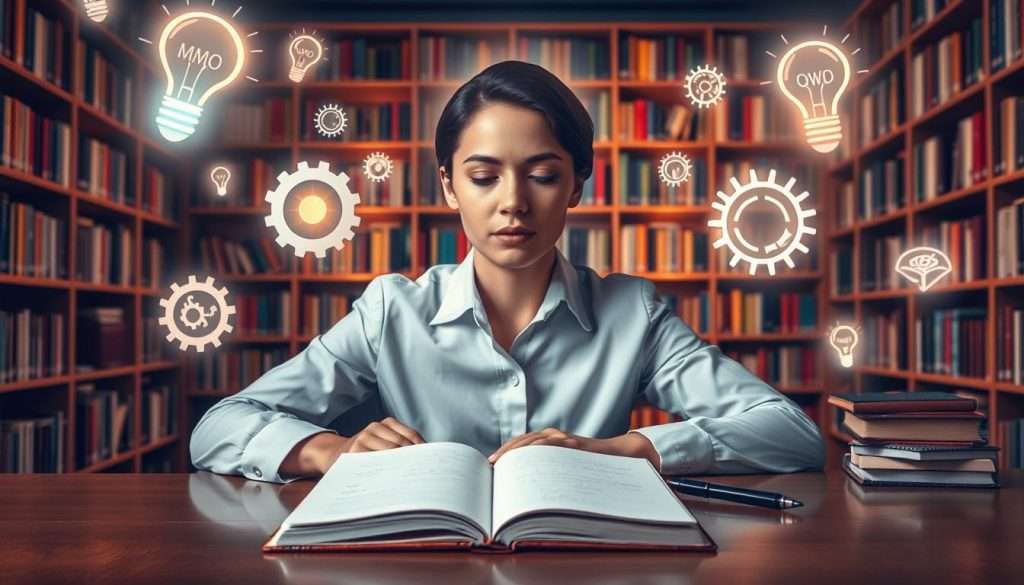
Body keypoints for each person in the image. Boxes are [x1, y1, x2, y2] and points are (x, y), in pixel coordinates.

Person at [190, 60, 825, 483]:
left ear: (578, 185)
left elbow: (794, 436)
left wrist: (621, 451)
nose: (513, 202)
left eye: (544, 175)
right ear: (448, 186)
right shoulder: (393, 310)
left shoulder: (633, 313)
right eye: (484, 176)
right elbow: (216, 430)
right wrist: (333, 451)